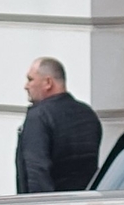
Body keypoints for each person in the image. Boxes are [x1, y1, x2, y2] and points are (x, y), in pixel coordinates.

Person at [15, 57, 102, 193]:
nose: (26, 86)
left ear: (48, 82)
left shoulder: (39, 116)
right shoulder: (87, 114)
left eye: (30, 79)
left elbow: (36, 172)